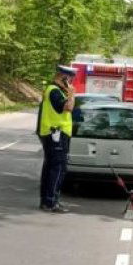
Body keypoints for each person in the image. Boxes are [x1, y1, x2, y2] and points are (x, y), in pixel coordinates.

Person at [37, 65, 77, 213]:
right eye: (70, 79)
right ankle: (51, 201)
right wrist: (71, 94)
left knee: (50, 167)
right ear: (64, 78)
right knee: (58, 168)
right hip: (56, 134)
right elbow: (68, 108)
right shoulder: (54, 91)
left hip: (53, 133)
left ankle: (46, 201)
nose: (71, 83)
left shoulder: (54, 90)